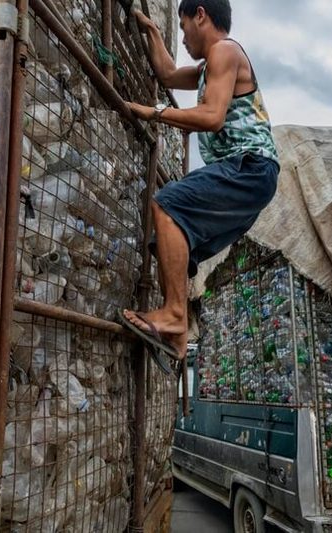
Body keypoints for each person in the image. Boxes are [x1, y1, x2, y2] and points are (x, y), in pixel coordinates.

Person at [120, 0, 280, 371]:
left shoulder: (225, 51)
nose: (184, 37)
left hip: (250, 167)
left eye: (182, 25)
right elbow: (169, 75)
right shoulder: (209, 67)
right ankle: (178, 333)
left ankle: (174, 313)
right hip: (249, 176)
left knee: (169, 203)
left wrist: (153, 113)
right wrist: (153, 31)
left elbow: (210, 117)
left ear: (201, 15)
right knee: (174, 237)